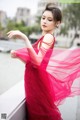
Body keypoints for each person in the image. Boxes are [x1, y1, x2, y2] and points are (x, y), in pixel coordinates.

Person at [7, 3, 80, 120]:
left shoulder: (48, 37)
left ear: (57, 23)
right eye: (43, 18)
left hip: (37, 83)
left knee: (42, 114)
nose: (44, 21)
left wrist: (24, 37)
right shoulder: (44, 36)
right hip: (33, 81)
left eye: (49, 19)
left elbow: (37, 63)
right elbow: (31, 63)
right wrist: (18, 56)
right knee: (38, 113)